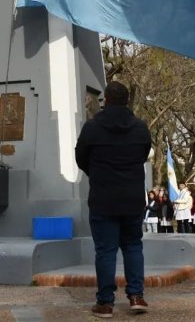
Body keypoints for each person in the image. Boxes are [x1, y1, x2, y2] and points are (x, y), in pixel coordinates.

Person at [74, 80, 151, 318]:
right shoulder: (141, 128)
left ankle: (105, 303)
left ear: (105, 100)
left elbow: (80, 158)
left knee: (105, 251)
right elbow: (143, 155)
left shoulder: (92, 127)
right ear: (127, 101)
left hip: (103, 198)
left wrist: (98, 173)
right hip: (132, 198)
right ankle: (136, 296)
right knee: (133, 246)